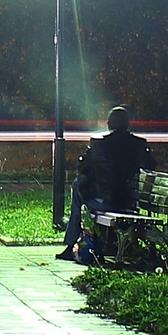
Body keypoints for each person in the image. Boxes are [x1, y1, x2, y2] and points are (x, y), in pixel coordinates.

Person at [63, 106, 151, 261]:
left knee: (78, 188)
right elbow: (151, 165)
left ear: (109, 124)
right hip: (128, 201)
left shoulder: (100, 143)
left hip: (104, 202)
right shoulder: (138, 144)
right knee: (79, 186)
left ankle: (71, 244)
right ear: (127, 124)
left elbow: (83, 168)